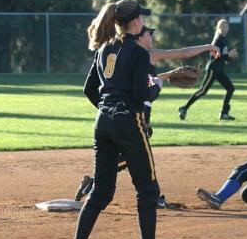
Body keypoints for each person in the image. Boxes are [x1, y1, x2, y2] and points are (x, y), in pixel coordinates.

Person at [64, 0, 182, 239]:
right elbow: (142, 95)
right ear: (136, 22)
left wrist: (109, 109)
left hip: (102, 124)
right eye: (142, 17)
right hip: (129, 123)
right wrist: (158, 86)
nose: (143, 21)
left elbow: (89, 90)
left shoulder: (104, 48)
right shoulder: (139, 52)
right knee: (148, 190)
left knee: (102, 192)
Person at [75, 25, 220, 207]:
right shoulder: (148, 54)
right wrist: (208, 47)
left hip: (129, 111)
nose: (151, 35)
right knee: (141, 156)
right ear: (138, 37)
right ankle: (147, 194)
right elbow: (182, 53)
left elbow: (145, 79)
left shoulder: (136, 55)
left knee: (132, 156)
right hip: (138, 112)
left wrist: (167, 75)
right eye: (148, 33)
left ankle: (98, 182)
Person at [178, 19, 238, 121]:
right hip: (213, 69)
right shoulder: (217, 40)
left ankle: (224, 114)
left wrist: (230, 57)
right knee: (203, 90)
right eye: (222, 27)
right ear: (218, 29)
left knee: (230, 88)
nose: (224, 29)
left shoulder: (224, 40)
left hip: (219, 70)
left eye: (226, 27)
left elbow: (224, 60)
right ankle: (184, 108)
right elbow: (215, 56)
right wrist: (228, 55)